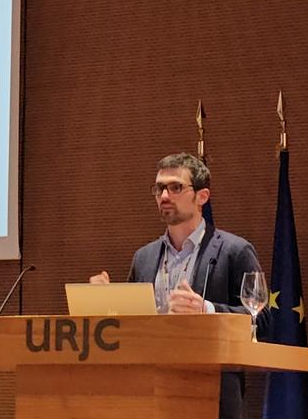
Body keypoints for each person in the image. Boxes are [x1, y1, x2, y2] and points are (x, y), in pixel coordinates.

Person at [89, 152, 261, 419]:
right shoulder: (144, 257)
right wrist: (107, 303)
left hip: (212, 394)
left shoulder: (234, 251)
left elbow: (263, 319)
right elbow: (132, 327)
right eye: (159, 189)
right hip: (149, 392)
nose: (165, 196)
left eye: (176, 187)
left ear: (202, 196)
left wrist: (206, 309)